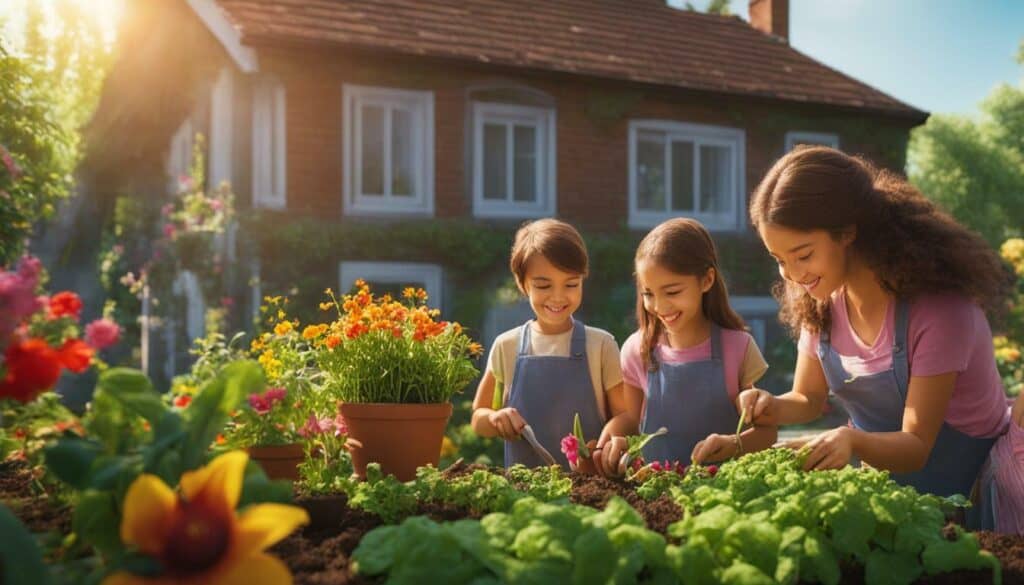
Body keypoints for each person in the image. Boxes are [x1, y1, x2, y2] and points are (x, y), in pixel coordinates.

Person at [739, 146, 1010, 514]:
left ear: (848, 231)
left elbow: (916, 446)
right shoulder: (821, 305)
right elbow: (808, 399)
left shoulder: (940, 312)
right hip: (895, 505)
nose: (793, 275)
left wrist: (853, 440)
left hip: (974, 501)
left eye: (803, 255)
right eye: (779, 260)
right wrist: (770, 406)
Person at [594, 218, 774, 475]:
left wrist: (736, 444)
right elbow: (631, 420)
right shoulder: (638, 349)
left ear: (706, 280)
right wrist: (610, 442)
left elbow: (767, 432)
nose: (660, 306)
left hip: (721, 493)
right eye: (648, 294)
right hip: (656, 493)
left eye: (672, 292)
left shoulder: (738, 346)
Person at [471, 219, 629, 469]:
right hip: (524, 493)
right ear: (523, 284)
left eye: (571, 284)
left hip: (590, 490)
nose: (558, 296)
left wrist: (608, 441)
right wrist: (496, 419)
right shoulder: (507, 345)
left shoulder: (601, 345)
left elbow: (624, 415)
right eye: (543, 285)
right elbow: (478, 417)